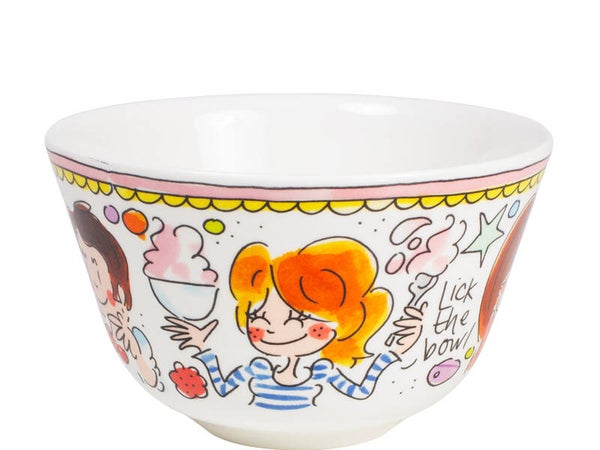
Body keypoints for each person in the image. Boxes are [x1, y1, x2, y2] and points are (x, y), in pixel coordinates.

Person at [164, 237, 426, 409]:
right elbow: (221, 388)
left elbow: (360, 391)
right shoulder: (257, 369)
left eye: (299, 318)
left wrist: (397, 350)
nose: (272, 329)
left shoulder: (323, 371)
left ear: (345, 325)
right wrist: (202, 348)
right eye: (258, 316)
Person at [71, 201, 160, 388]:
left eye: (94, 261)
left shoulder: (125, 320)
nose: (95, 273)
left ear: (111, 262)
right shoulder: (121, 317)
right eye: (86, 257)